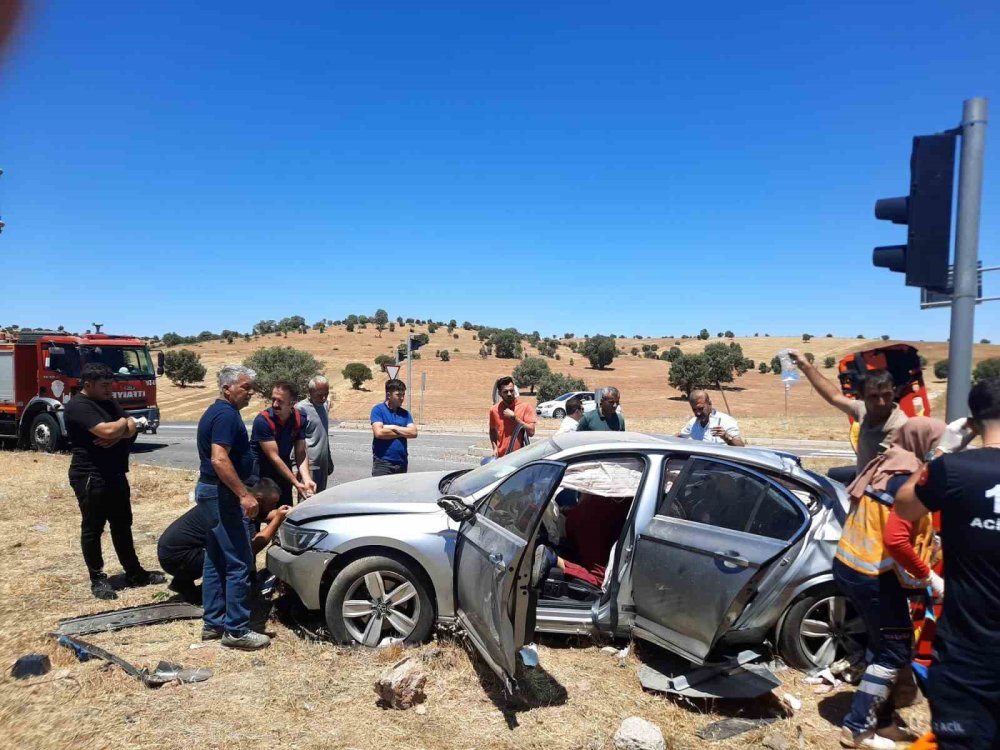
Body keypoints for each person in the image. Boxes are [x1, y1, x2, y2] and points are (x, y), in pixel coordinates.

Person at [894, 378, 1000, 750]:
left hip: (966, 655)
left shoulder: (953, 470)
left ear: (970, 424)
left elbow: (904, 506)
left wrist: (939, 456)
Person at [834, 418, 947, 749]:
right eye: (938, 445)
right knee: (894, 649)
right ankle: (857, 728)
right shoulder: (905, 481)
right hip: (873, 575)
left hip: (855, 565)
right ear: (923, 444)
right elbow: (896, 540)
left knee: (881, 643)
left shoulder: (888, 465)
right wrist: (929, 576)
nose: (941, 452)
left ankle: (882, 722)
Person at [64, 362, 165, 600]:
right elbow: (118, 428)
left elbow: (131, 426)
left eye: (111, 384)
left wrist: (120, 428)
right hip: (91, 475)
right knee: (93, 528)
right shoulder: (79, 406)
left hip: (116, 474)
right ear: (88, 384)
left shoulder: (108, 402)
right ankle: (98, 579)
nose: (110, 389)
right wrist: (120, 427)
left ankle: (134, 572)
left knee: (122, 524)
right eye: (105, 385)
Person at [196, 364, 269, 650]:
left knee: (215, 559)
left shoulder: (218, 412)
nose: (250, 393)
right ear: (227, 388)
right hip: (222, 494)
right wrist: (244, 494)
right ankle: (236, 630)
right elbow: (218, 459)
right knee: (240, 559)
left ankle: (213, 622)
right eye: (245, 387)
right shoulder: (226, 415)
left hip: (210, 491)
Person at [157, 478, 290, 604]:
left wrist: (277, 514)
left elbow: (261, 514)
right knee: (234, 556)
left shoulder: (240, 497)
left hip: (172, 551)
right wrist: (277, 520)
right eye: (272, 503)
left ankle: (183, 583)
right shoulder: (241, 509)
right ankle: (209, 593)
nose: (274, 506)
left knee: (223, 547)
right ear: (259, 500)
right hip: (177, 557)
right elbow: (251, 548)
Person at [789, 352, 907, 480]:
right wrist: (805, 365)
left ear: (894, 392)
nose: (881, 402)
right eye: (874, 397)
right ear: (862, 396)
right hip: (863, 492)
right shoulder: (863, 410)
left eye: (886, 395)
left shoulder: (903, 427)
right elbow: (834, 397)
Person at [250, 381, 316, 505]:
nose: (275, 404)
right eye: (273, 399)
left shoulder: (299, 419)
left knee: (284, 512)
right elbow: (274, 457)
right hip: (260, 475)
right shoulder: (263, 421)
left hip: (283, 474)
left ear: (293, 403)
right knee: (257, 517)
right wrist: (295, 483)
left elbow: (300, 452)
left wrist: (306, 479)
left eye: (280, 401)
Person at [370, 379, 417, 476]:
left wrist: (393, 427)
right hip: (383, 463)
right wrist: (403, 432)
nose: (402, 398)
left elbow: (413, 433)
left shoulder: (405, 414)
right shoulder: (378, 410)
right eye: (398, 395)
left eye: (403, 395)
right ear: (388, 395)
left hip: (402, 463)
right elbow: (379, 433)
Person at [296, 375, 334, 493]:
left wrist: (329, 459)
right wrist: (295, 465)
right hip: (309, 464)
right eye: (319, 395)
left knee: (321, 497)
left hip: (323, 462)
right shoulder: (300, 409)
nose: (323, 398)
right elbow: (296, 440)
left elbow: (323, 435)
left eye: (326, 394)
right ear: (310, 392)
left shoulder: (324, 406)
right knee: (308, 498)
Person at [676, 389, 745, 446]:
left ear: (709, 403)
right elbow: (679, 436)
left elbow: (740, 446)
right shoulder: (693, 422)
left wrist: (726, 437)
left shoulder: (726, 420)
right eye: (694, 409)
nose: (698, 413)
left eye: (700, 408)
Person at [489, 376, 537, 456]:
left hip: (520, 458)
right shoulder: (494, 410)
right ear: (499, 393)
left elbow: (531, 432)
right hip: (501, 458)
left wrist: (515, 418)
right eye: (505, 391)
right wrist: (495, 448)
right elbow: (492, 431)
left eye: (511, 391)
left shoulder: (525, 407)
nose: (509, 394)